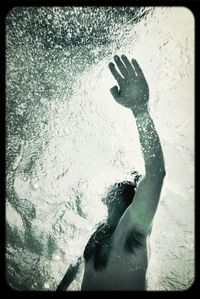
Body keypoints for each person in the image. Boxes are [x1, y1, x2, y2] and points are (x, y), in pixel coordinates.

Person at [56, 55, 166, 291]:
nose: (104, 193)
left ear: (121, 195)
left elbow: (156, 173)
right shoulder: (99, 234)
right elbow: (77, 264)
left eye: (112, 188)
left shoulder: (134, 228)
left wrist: (140, 110)